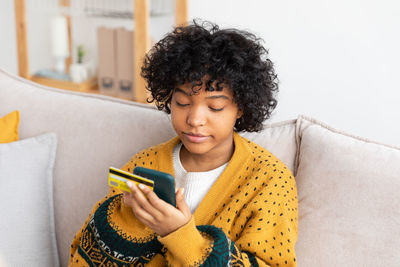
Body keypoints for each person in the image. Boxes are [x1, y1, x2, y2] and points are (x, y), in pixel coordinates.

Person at [69, 20, 298, 266]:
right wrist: (129, 218)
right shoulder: (143, 164)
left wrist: (180, 235)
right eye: (182, 103)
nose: (194, 119)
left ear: (240, 108)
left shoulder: (269, 180)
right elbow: (79, 260)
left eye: (215, 107)